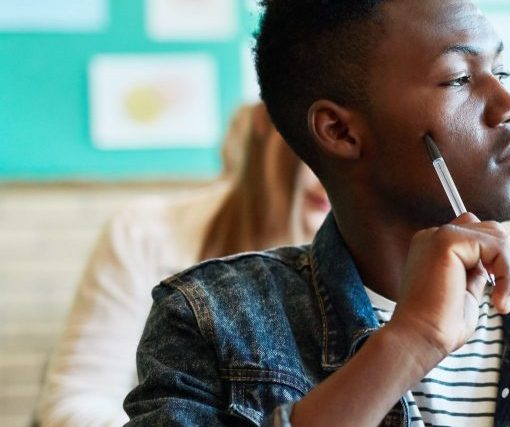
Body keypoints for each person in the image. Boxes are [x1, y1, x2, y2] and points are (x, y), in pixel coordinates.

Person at [122, 0, 510, 425]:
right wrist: (409, 341)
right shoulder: (209, 323)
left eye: (502, 73)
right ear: (340, 131)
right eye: (461, 79)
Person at [36, 103, 330, 427]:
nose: (329, 179)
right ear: (266, 118)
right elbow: (73, 403)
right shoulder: (146, 232)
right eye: (317, 140)